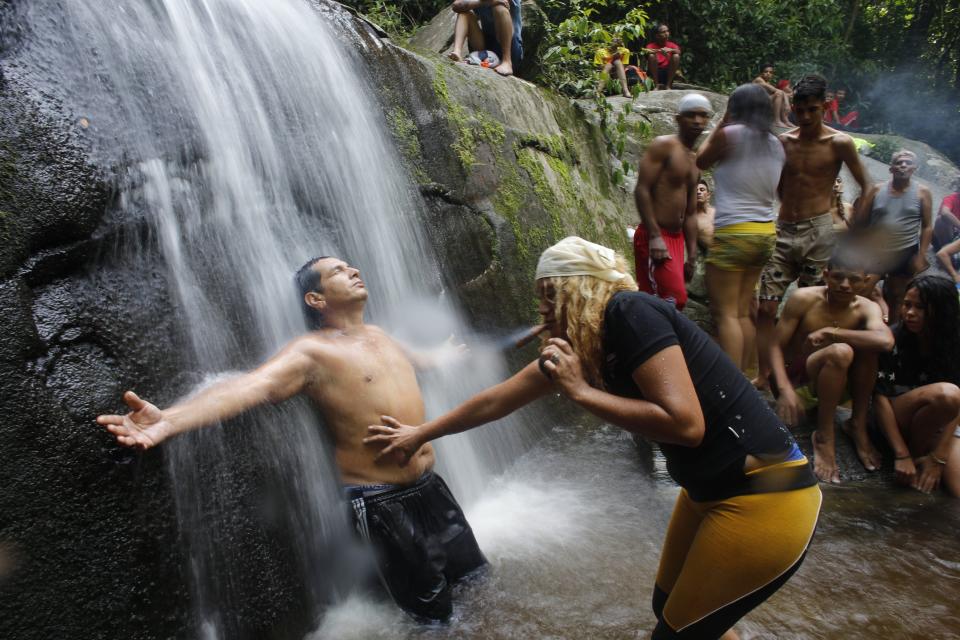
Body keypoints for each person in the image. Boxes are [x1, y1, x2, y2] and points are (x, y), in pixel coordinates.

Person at [365, 236, 821, 640]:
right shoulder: (585, 346)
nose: (541, 310)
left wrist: (579, 392)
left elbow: (686, 424)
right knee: (674, 611)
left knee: (679, 632)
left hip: (765, 498)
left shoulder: (631, 310)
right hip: (709, 494)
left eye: (548, 295)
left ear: (577, 288)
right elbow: (497, 401)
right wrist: (423, 432)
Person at [96, 256, 486, 622]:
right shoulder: (311, 353)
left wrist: (446, 353)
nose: (352, 270)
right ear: (315, 299)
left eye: (351, 265)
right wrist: (169, 420)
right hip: (381, 503)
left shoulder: (380, 335)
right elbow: (252, 386)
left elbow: (419, 360)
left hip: (430, 487)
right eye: (337, 271)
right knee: (434, 616)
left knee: (476, 579)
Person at [755, 74, 870, 390]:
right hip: (782, 230)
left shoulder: (839, 143)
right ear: (793, 107)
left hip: (818, 233)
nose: (805, 117)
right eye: (800, 110)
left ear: (825, 107)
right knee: (765, 307)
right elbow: (778, 183)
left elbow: (867, 184)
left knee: (814, 309)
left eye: (813, 110)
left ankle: (797, 375)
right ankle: (764, 374)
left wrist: (857, 225)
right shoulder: (784, 142)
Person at [768, 247, 894, 483]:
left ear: (865, 281)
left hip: (834, 380)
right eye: (838, 277)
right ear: (826, 275)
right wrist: (783, 390)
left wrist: (831, 332)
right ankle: (825, 436)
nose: (845, 285)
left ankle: (857, 423)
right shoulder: (804, 299)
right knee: (841, 351)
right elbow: (774, 346)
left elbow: (886, 341)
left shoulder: (866, 307)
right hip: (796, 382)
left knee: (867, 349)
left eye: (854, 279)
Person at [697, 83, 785, 372]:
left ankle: (731, 387)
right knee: (744, 312)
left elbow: (701, 159)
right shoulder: (776, 144)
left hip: (735, 232)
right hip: (764, 233)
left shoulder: (730, 135)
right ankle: (746, 377)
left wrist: (722, 121)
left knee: (726, 315)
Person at [874, 275, 960, 497]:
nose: (909, 313)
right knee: (948, 394)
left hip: (939, 421)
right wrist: (901, 455)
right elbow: (880, 398)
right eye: (907, 304)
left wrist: (938, 457)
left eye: (920, 307)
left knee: (957, 489)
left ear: (942, 310)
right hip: (897, 414)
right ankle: (913, 454)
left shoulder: (954, 344)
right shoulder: (892, 338)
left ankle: (924, 456)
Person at [632, 93, 710, 310]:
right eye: (691, 115)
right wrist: (655, 236)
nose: (697, 121)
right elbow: (642, 190)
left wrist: (692, 255)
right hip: (655, 235)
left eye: (703, 116)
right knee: (671, 299)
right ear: (678, 119)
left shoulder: (694, 160)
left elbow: (691, 212)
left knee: (668, 302)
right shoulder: (663, 146)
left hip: (676, 239)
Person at [854, 149, 933, 323]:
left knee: (898, 296)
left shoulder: (922, 192)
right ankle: (857, 323)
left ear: (914, 169)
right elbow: (861, 222)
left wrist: (921, 255)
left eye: (908, 162)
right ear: (891, 168)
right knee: (863, 289)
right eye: (899, 162)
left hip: (905, 250)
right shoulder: (876, 190)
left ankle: (892, 332)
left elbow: (927, 226)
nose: (903, 165)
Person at [447, 0, 523, 77]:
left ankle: (507, 62)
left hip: (511, 49)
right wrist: (485, 2)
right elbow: (456, 5)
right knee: (465, 13)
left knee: (499, 6)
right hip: (486, 49)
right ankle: (457, 52)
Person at [752, 64, 793, 128]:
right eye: (766, 72)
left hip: (762, 104)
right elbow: (776, 91)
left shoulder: (767, 82)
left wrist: (788, 96)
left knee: (780, 95)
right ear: (761, 73)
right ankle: (776, 121)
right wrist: (787, 102)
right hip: (754, 106)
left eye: (770, 72)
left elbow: (779, 93)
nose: (768, 74)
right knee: (778, 94)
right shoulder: (758, 80)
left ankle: (785, 121)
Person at [645, 23, 681, 90]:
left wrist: (670, 50)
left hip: (668, 73)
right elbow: (647, 51)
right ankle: (656, 85)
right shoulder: (651, 45)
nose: (666, 33)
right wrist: (659, 51)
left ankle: (668, 85)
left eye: (667, 31)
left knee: (676, 56)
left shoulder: (672, 45)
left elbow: (678, 51)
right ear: (657, 35)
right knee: (651, 56)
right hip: (655, 73)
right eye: (663, 32)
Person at [694, 178, 716, 252]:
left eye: (702, 190)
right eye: (696, 191)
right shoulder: (692, 219)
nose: (698, 192)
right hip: (712, 256)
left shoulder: (717, 212)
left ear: (708, 195)